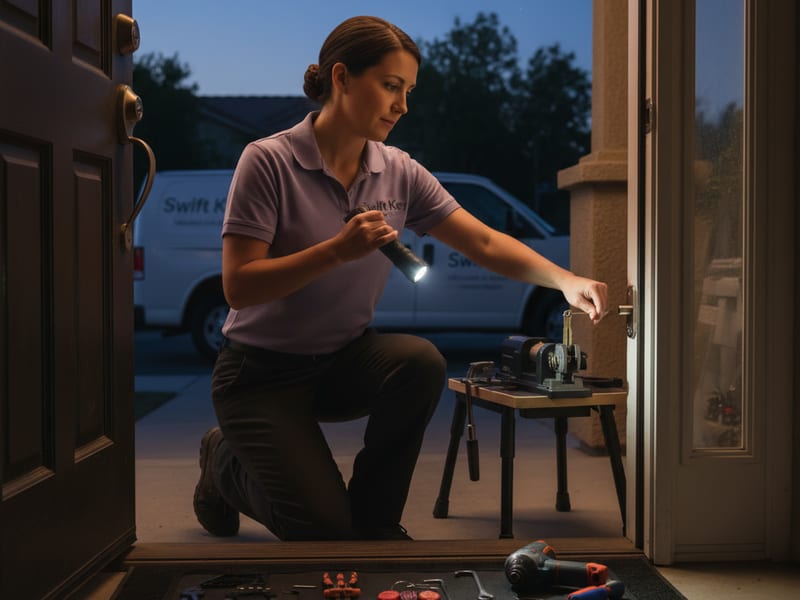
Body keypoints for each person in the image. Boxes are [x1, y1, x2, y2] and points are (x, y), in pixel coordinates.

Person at [193, 15, 609, 542]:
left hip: (340, 361)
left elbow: (480, 240)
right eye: (391, 86)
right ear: (341, 78)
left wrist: (564, 280)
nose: (403, 105)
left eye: (408, 90)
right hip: (258, 376)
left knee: (418, 362)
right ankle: (221, 460)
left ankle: (375, 520)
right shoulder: (268, 161)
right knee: (320, 528)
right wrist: (336, 251)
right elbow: (240, 287)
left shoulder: (398, 170)